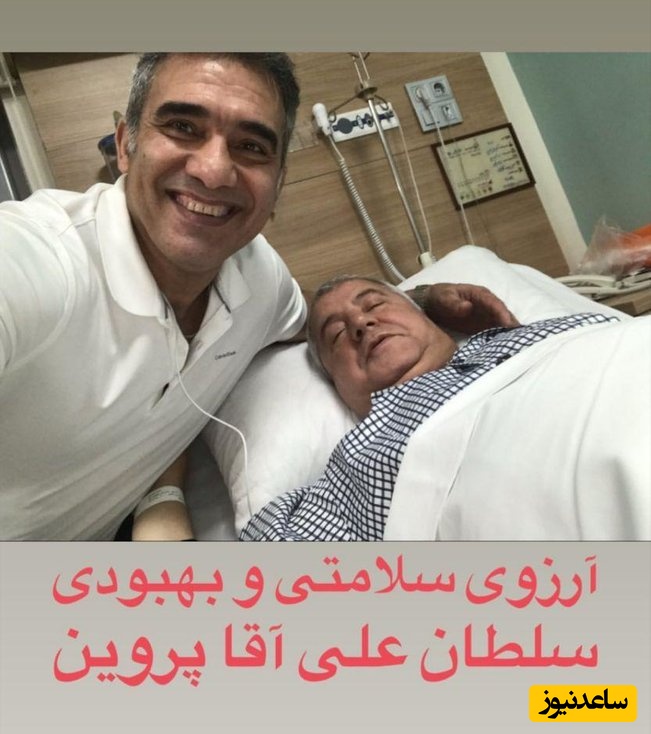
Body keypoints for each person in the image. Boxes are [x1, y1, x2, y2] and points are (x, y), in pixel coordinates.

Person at [0, 53, 515, 541]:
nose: (213, 171)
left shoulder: (258, 277)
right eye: (182, 127)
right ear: (125, 145)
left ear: (277, 184)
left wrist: (418, 299)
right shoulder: (43, 262)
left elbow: (320, 313)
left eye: (251, 146)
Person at [241, 276, 615, 540]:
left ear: (426, 317)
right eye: (336, 334)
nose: (361, 323)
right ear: (336, 384)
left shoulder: (532, 338)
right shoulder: (360, 460)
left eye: (375, 304)